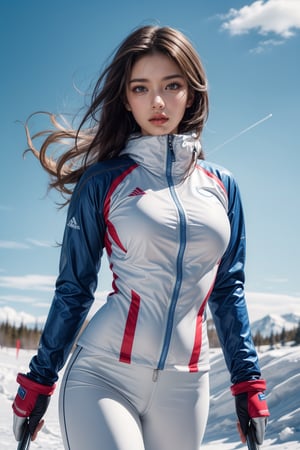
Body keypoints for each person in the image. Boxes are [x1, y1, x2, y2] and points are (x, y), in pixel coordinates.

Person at [12, 25, 270, 450]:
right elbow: (75, 288)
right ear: (125, 98)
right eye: (140, 88)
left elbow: (228, 290)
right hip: (103, 375)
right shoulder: (102, 181)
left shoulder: (223, 187)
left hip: (187, 388)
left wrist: (247, 382)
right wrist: (38, 381)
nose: (157, 102)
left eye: (172, 85)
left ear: (192, 93)